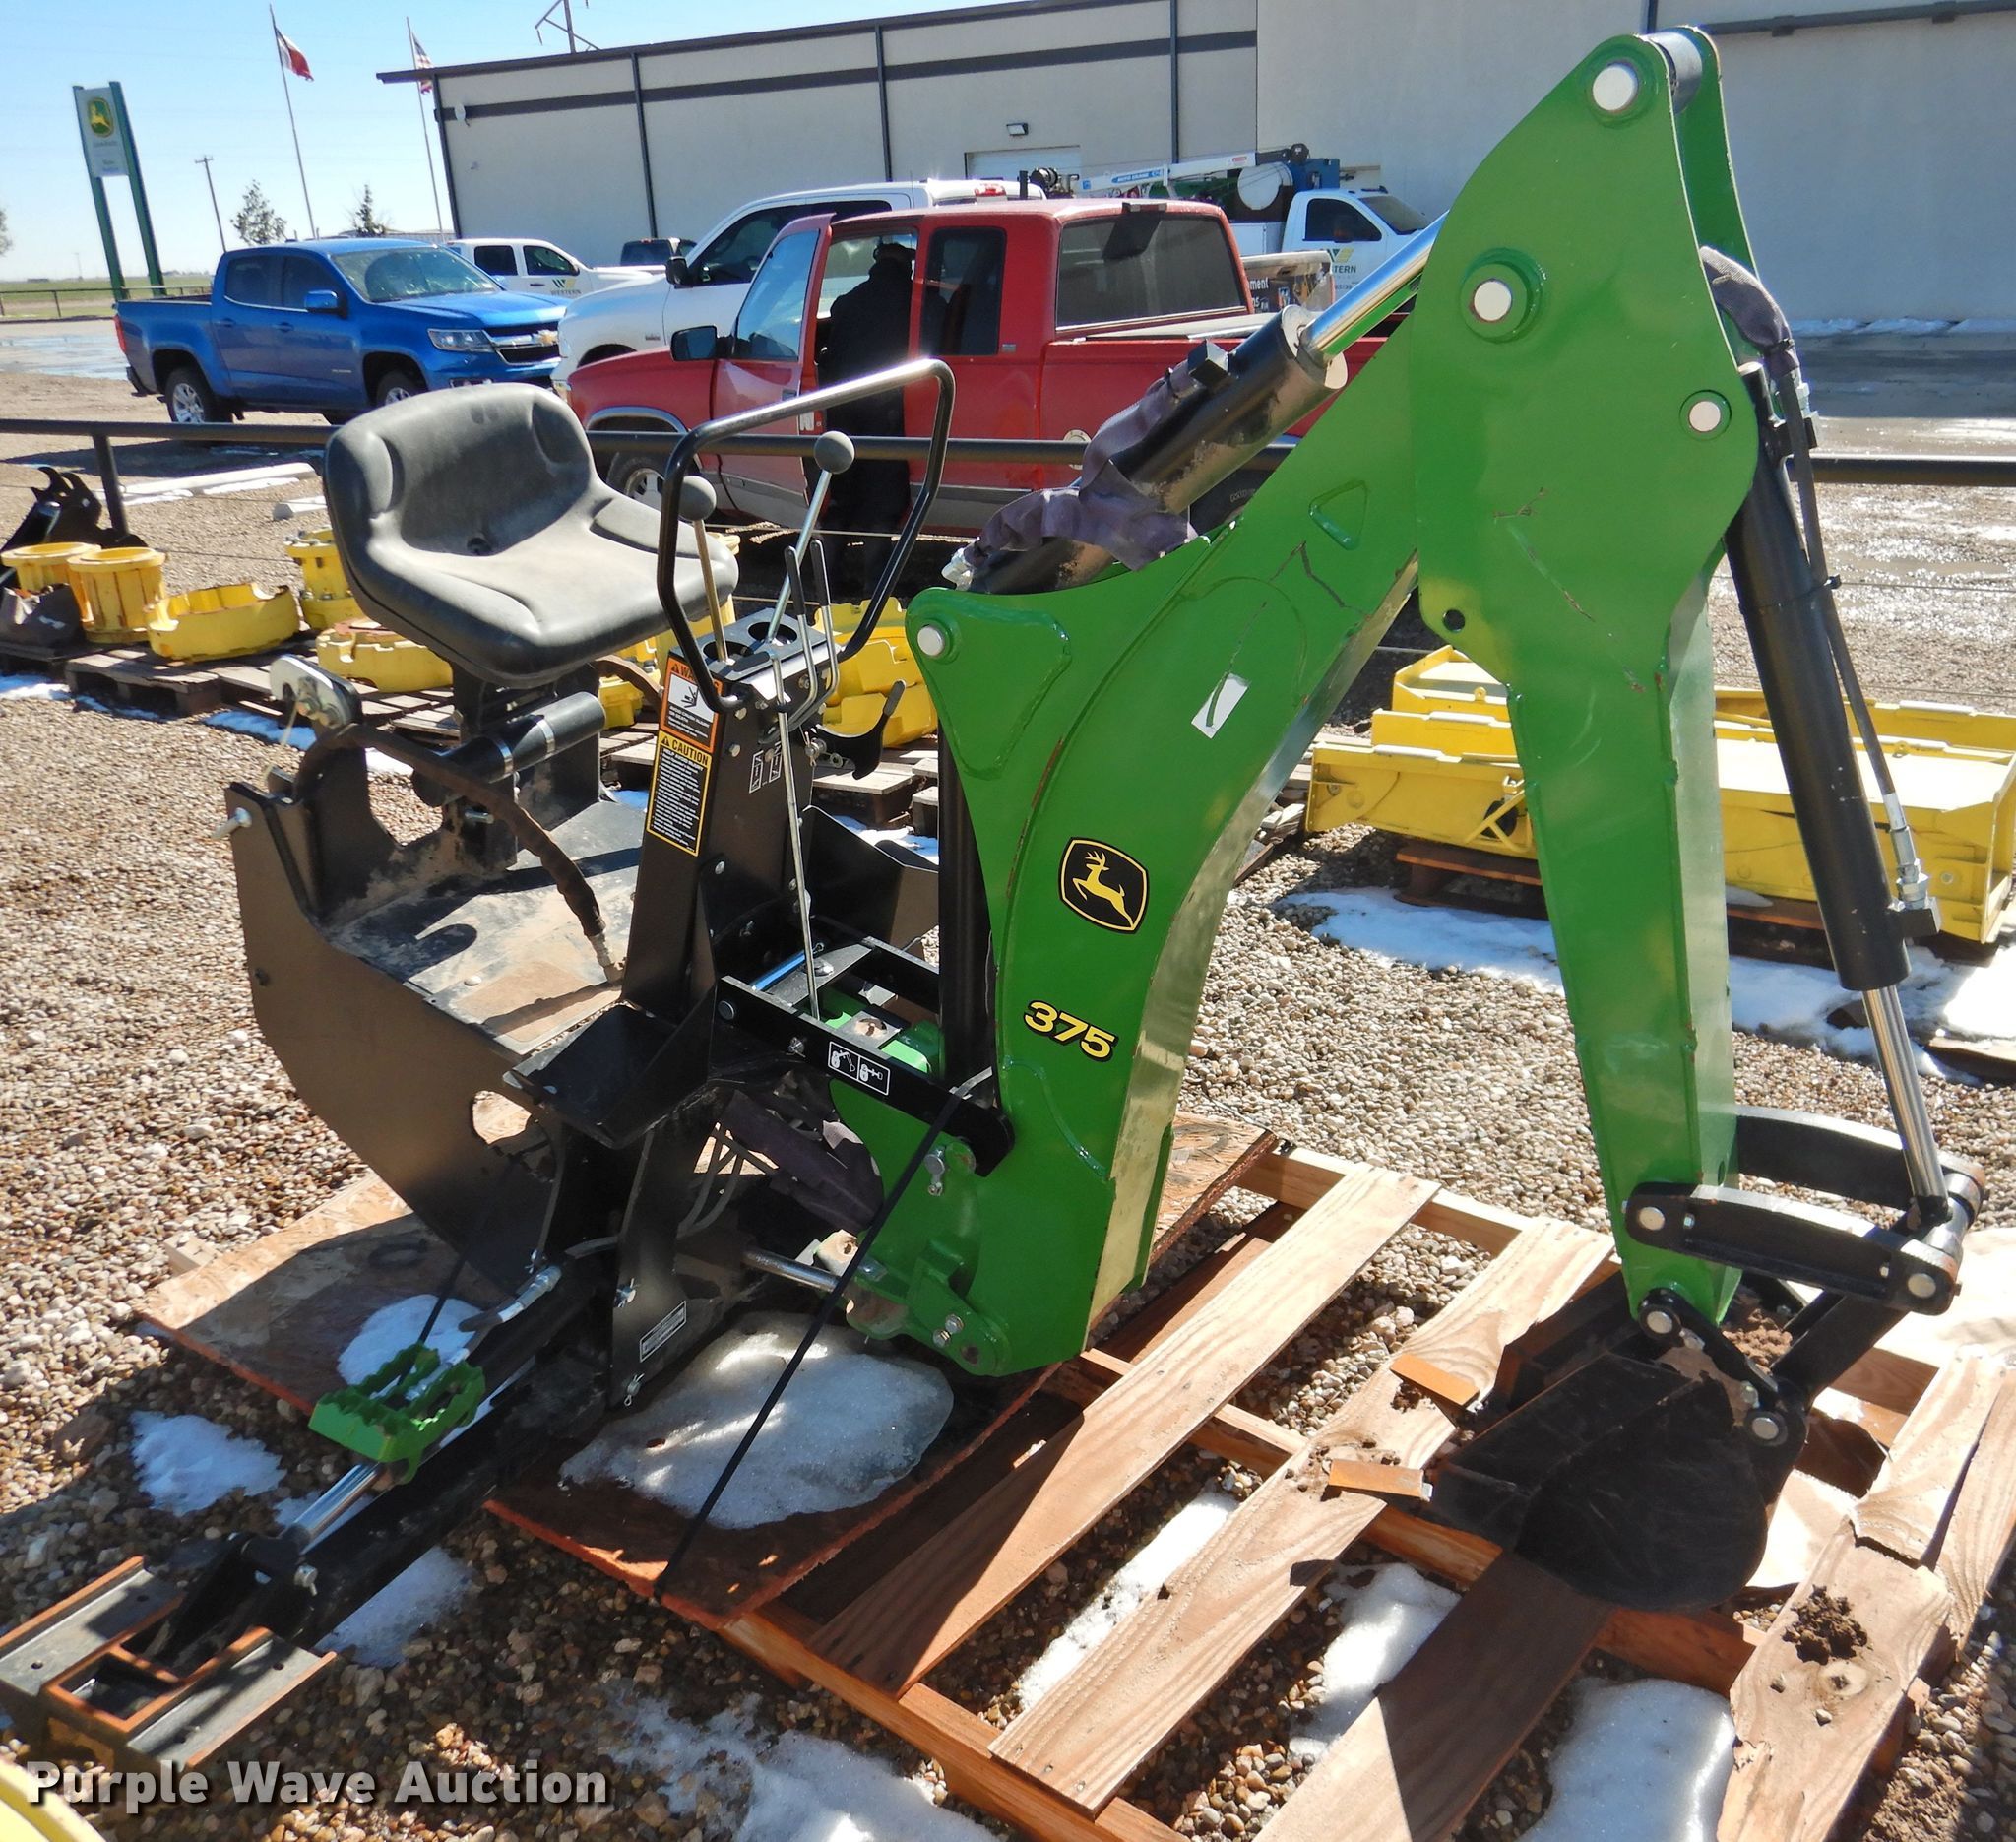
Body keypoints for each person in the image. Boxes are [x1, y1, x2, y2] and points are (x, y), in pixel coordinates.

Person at [817, 241, 915, 596]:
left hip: (843, 410)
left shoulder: (846, 303)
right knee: (882, 502)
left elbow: (827, 354)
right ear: (907, 267)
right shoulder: (914, 303)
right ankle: (877, 588)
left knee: (844, 496)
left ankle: (825, 584)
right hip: (889, 410)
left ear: (876, 264)